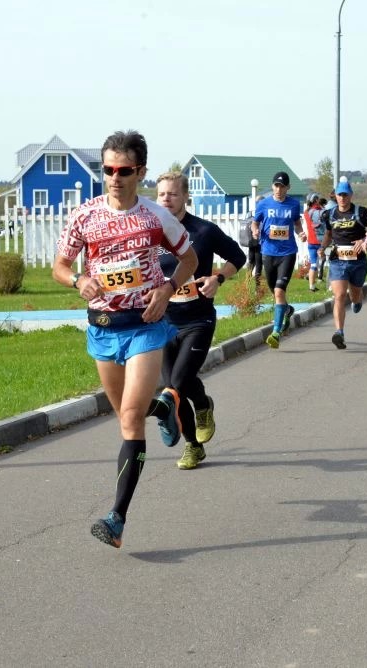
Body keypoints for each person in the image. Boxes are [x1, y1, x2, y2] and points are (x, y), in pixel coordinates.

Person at [52, 130, 198, 548]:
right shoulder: (85, 216)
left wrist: (167, 289)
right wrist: (78, 278)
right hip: (103, 328)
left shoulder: (156, 217)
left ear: (140, 172)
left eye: (124, 170)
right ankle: (164, 407)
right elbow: (59, 266)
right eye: (108, 169)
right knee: (126, 414)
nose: (114, 177)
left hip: (145, 327)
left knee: (130, 420)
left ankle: (116, 518)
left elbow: (189, 258)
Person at [155, 172, 245, 470]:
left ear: (185, 198)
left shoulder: (203, 231)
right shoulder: (152, 234)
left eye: (172, 194)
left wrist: (218, 278)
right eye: (161, 194)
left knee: (176, 386)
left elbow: (237, 257)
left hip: (198, 320)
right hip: (164, 322)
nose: (166, 199)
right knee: (173, 383)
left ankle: (202, 406)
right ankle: (194, 444)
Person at [252, 171, 304, 349]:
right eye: (276, 185)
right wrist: (255, 231)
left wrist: (301, 233)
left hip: (287, 253)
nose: (279, 189)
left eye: (282, 186)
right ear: (272, 186)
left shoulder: (294, 205)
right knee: (274, 291)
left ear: (288, 187)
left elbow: (297, 224)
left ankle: (275, 332)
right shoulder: (263, 204)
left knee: (279, 290)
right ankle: (287, 310)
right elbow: (255, 222)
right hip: (268, 252)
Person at [318, 180, 367, 349]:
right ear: (335, 196)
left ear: (351, 195)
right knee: (340, 295)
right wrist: (322, 247)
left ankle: (357, 301)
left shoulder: (362, 213)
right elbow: (328, 233)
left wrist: (364, 240)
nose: (342, 198)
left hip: (358, 261)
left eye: (345, 195)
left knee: (355, 295)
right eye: (340, 195)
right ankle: (339, 332)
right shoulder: (329, 214)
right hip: (338, 260)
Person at [302, 192, 327, 292]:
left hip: (311, 241)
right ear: (316, 200)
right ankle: (325, 282)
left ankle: (311, 286)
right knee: (326, 260)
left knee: (313, 264)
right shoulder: (320, 211)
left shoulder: (306, 212)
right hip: (321, 241)